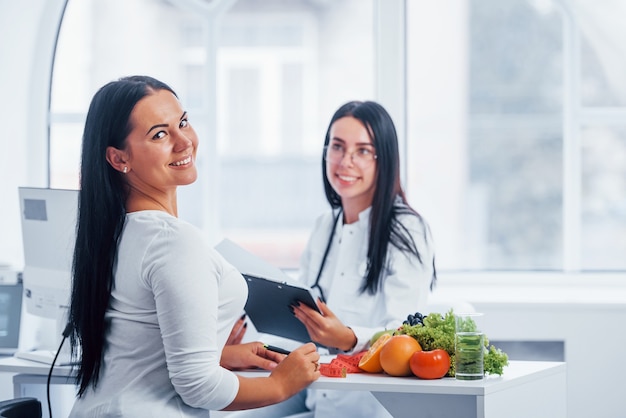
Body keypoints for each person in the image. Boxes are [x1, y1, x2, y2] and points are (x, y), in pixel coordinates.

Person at [67, 75, 320, 417]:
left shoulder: (114, 234)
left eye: (182, 122)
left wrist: (218, 354)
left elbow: (137, 347)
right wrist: (281, 385)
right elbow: (199, 386)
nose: (184, 141)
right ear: (118, 158)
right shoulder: (172, 241)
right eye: (159, 134)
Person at [229, 100, 437, 418]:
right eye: (337, 147)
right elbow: (303, 316)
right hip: (317, 395)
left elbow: (406, 334)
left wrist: (349, 338)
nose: (345, 161)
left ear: (385, 160)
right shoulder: (325, 226)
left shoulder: (406, 229)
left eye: (363, 151)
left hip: (370, 405)